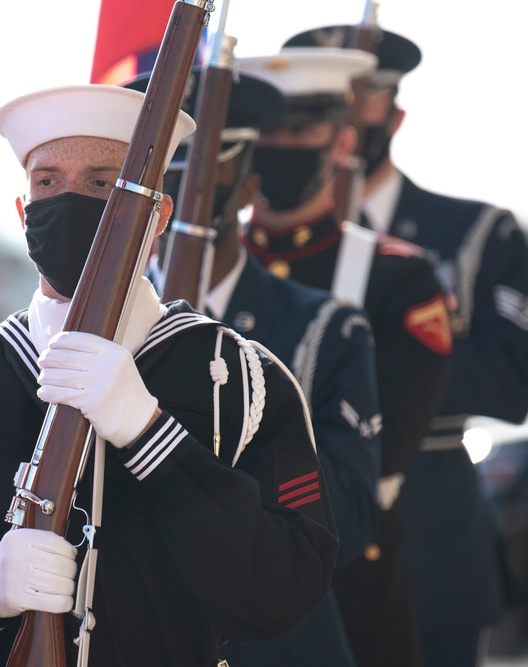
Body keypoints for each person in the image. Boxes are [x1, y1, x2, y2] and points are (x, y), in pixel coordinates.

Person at [0, 84, 339, 667]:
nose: (68, 201)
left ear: (158, 214)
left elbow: (284, 591)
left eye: (103, 184)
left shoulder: (242, 383)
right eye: (47, 182)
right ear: (22, 210)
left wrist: (152, 437)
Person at [284, 24, 528, 666]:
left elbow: (513, 379)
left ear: (393, 113)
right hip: (299, 532)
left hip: (432, 537)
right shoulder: (261, 251)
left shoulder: (476, 232)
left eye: (357, 101)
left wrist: (372, 360)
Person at [128, 66, 382, 666]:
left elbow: (346, 512)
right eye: (170, 172)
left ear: (246, 187)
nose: (184, 191)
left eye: (205, 168)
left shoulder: (327, 330)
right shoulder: (94, 329)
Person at [238, 47, 454, 667]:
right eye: (267, 132)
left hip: (347, 577)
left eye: (302, 130)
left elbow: (378, 460)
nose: (282, 145)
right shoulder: (191, 272)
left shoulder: (395, 278)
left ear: (341, 140)